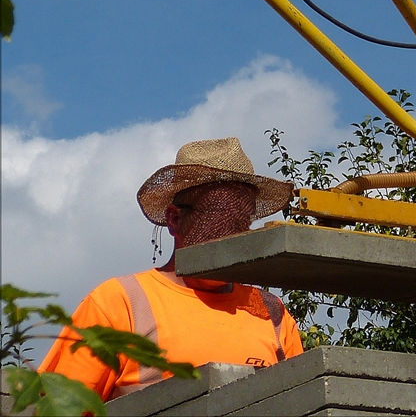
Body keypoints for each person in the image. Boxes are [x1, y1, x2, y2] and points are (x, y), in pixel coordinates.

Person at [39, 137, 304, 401]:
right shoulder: (119, 304)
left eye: (241, 222)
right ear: (174, 219)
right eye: (218, 221)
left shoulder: (272, 313)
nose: (232, 235)